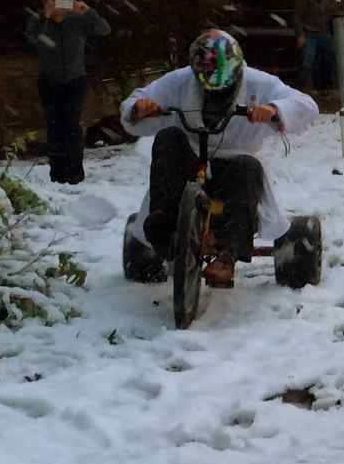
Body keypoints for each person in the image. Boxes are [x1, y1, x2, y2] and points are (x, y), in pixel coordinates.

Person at [120, 29, 317, 288]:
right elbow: (134, 102)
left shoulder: (260, 83)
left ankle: (228, 253)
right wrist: (139, 109)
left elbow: (306, 106)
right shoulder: (179, 81)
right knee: (167, 139)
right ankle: (163, 224)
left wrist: (274, 110)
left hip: (235, 159)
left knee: (249, 168)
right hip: (188, 157)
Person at [25, 0, 110, 185]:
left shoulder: (77, 21)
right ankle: (57, 173)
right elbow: (31, 39)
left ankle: (75, 173)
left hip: (75, 80)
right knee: (55, 127)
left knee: (72, 125)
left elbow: (104, 29)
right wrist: (44, 17)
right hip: (49, 81)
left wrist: (89, 12)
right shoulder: (39, 22)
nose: (61, 4)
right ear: (47, 2)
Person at [295, 0, 341, 94]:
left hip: (323, 31)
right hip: (310, 31)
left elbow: (332, 10)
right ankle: (301, 88)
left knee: (329, 57)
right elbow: (298, 17)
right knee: (308, 61)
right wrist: (301, 34)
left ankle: (324, 85)